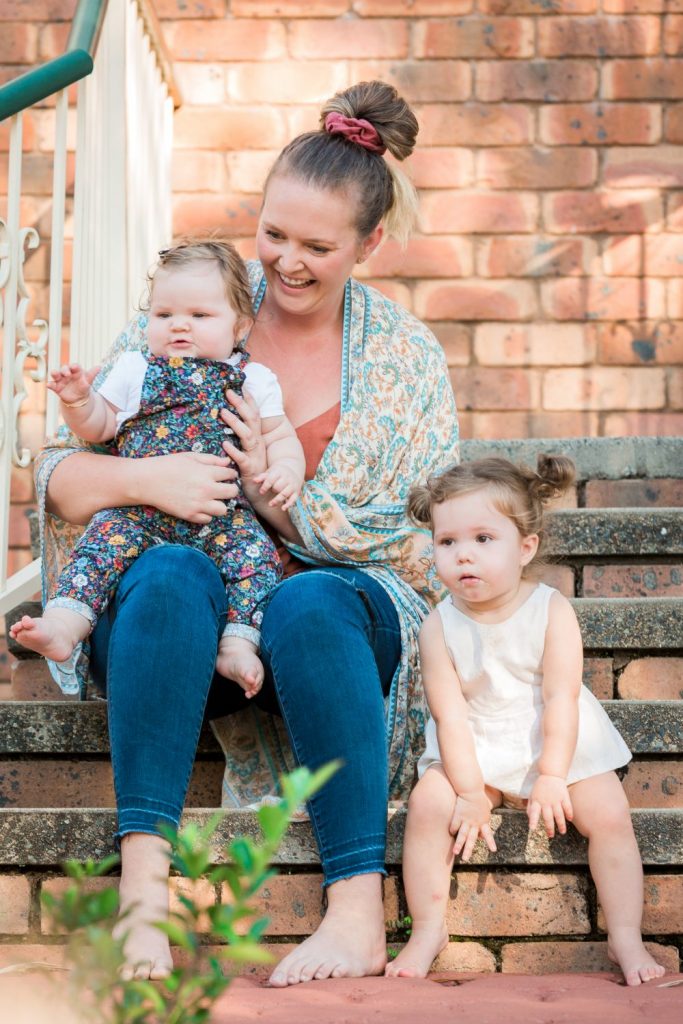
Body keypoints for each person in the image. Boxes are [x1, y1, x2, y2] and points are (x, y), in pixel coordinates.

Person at [33, 79, 460, 984]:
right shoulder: (197, 305)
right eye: (273, 234)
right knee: (174, 573)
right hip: (182, 623)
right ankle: (142, 895)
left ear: (370, 242)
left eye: (318, 245)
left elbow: (430, 537)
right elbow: (60, 475)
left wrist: (287, 507)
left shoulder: (405, 355)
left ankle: (353, 909)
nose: (287, 263)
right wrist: (151, 478)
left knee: (307, 599)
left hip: (328, 629)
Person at [386, 455, 666, 988]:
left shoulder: (550, 609)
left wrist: (554, 773)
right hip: (476, 746)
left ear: (526, 548)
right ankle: (427, 928)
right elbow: (448, 714)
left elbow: (562, 697)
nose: (463, 554)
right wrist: (468, 792)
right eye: (447, 542)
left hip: (554, 742)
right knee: (427, 802)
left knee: (608, 810)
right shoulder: (437, 626)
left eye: (483, 539)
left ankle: (626, 935)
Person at [13, 239, 305, 697]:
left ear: (240, 325)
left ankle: (237, 644)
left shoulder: (254, 379)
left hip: (222, 515)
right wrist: (78, 401)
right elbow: (99, 426)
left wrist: (286, 469)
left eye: (200, 316)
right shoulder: (135, 368)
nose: (179, 327)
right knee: (98, 549)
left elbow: (280, 435)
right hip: (140, 510)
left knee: (256, 561)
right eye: (164, 315)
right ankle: (64, 626)